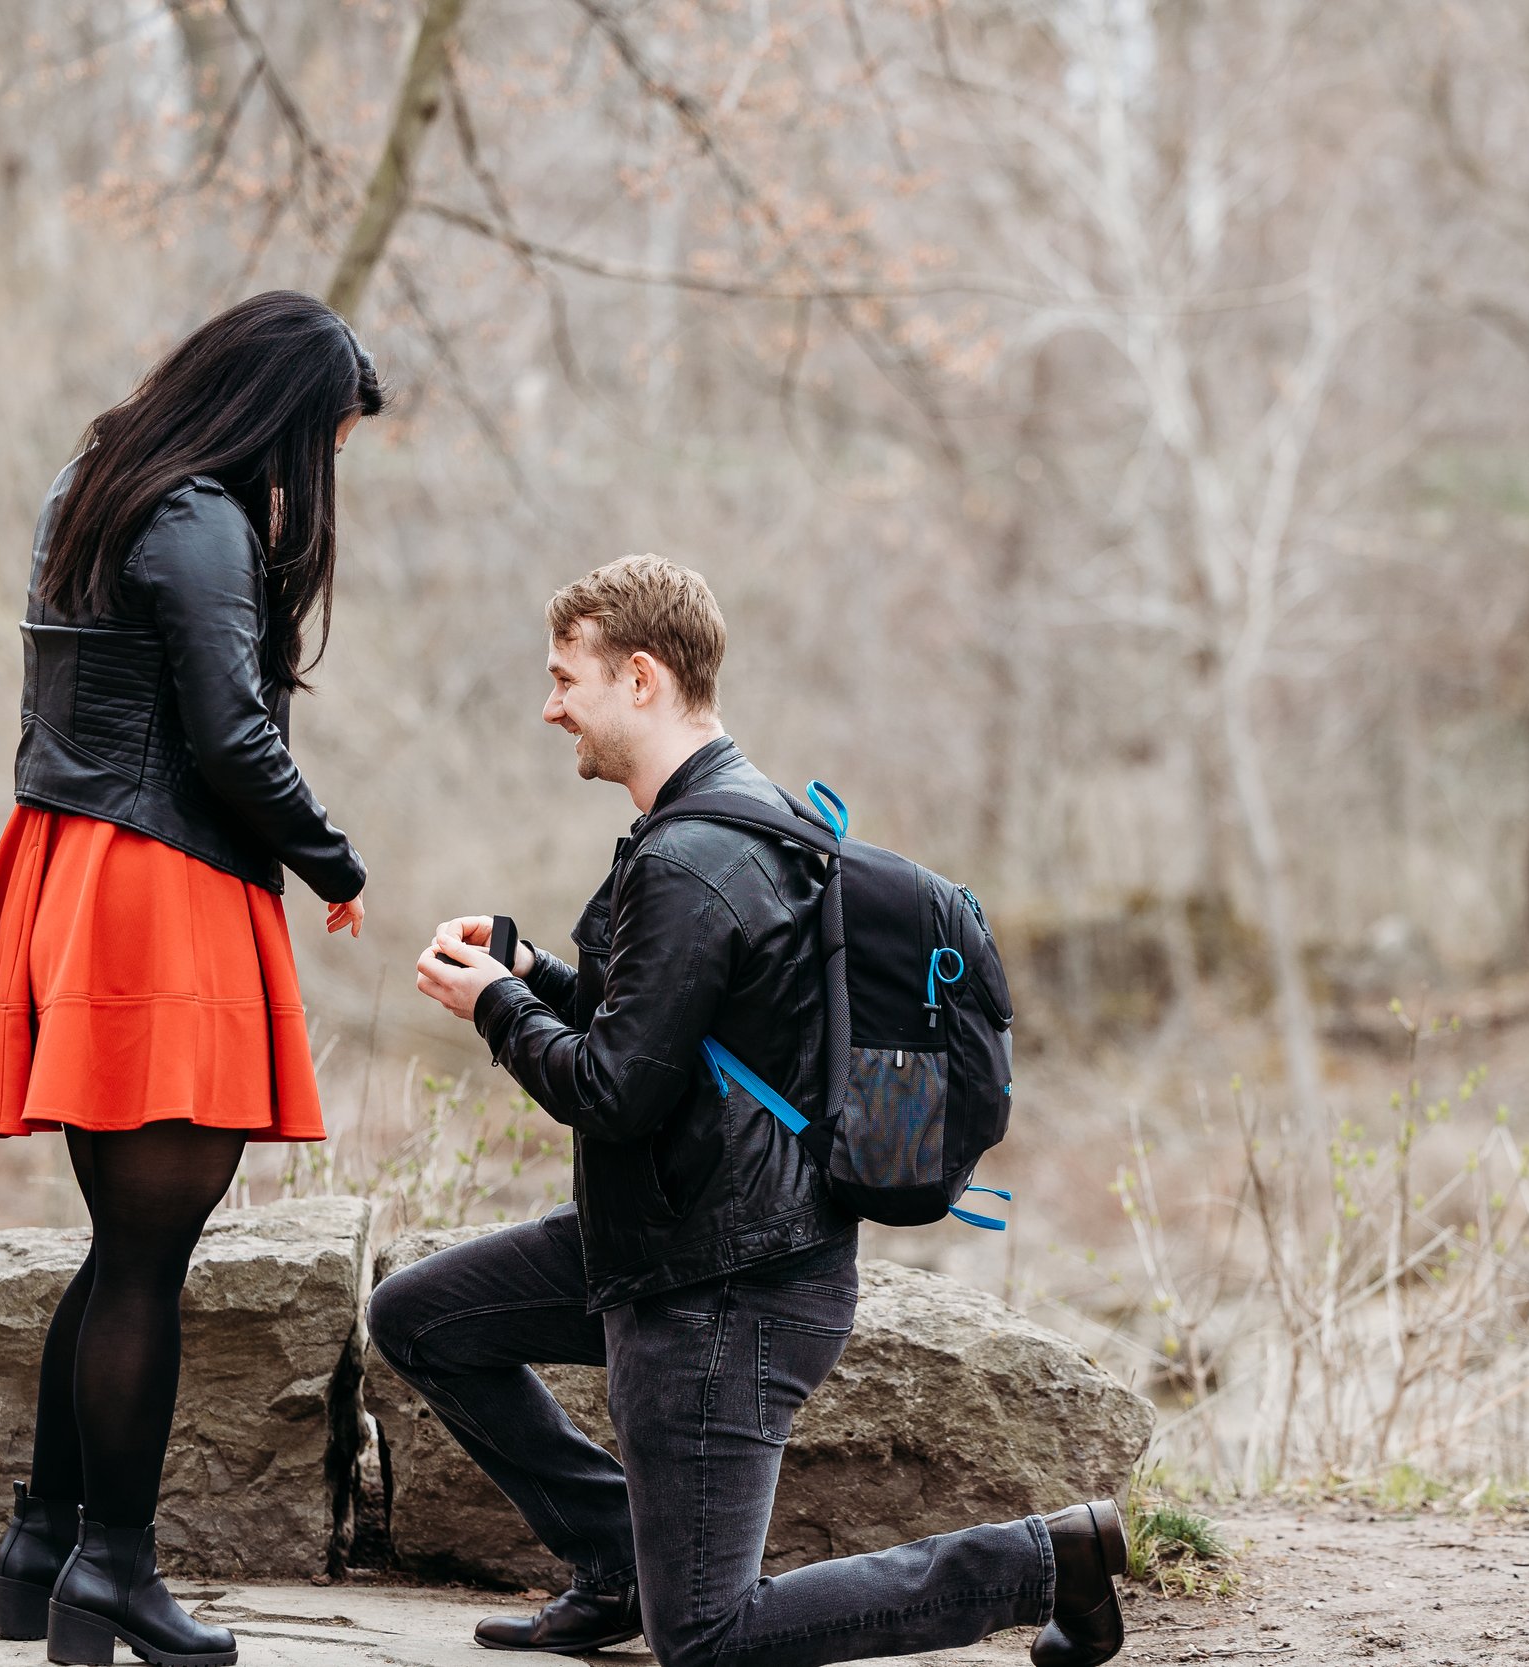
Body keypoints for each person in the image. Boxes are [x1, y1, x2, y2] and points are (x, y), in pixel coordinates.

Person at [384, 555, 1127, 1667]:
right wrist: (534, 970)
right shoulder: (737, 819)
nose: (549, 706)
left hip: (725, 1286)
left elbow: (616, 1090)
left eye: (563, 678)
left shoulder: (693, 856)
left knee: (711, 1635)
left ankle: (1041, 1558)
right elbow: (676, 1034)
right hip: (676, 1240)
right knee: (422, 1317)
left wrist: (493, 1008)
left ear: (640, 677)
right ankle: (615, 1554)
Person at [0, 290, 381, 1667]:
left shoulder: (97, 482)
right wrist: (337, 862)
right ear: (276, 413)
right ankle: (113, 1574)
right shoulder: (194, 520)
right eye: (324, 442)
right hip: (158, 885)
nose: (320, 476)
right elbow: (231, 735)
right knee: (146, 1253)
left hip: (77, 863)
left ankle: (42, 1547)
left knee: (123, 1242)